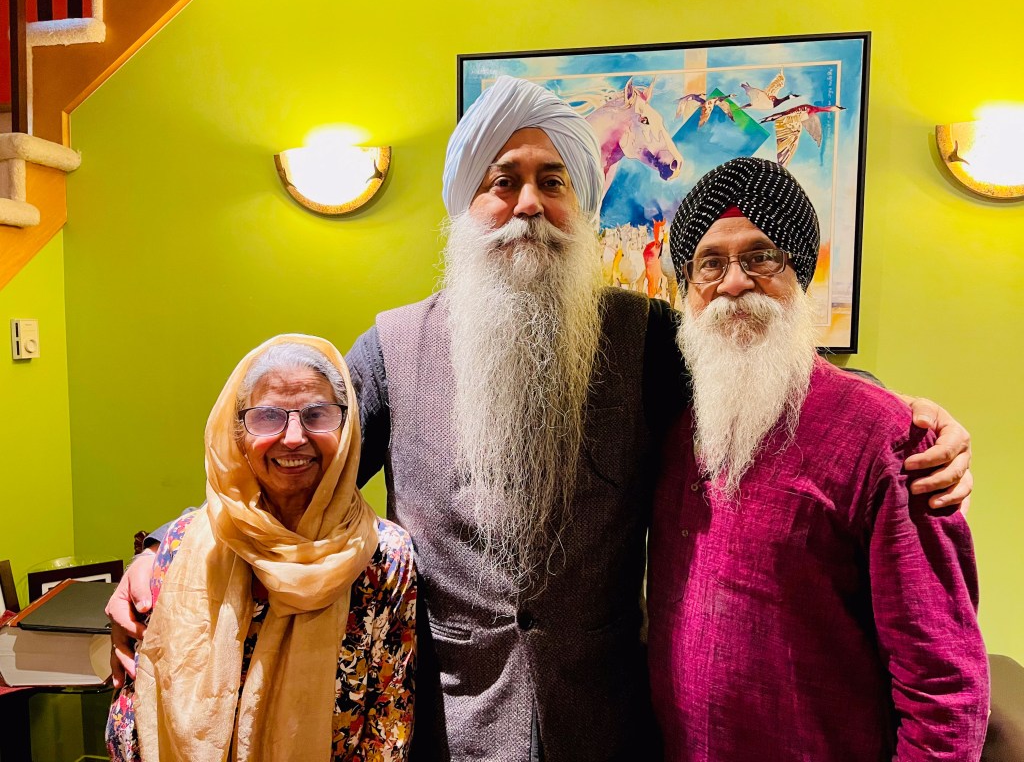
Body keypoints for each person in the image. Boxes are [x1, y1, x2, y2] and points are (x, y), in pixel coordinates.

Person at [108, 79, 974, 762]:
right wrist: (166, 551)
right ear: (466, 204)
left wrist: (903, 413)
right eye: (504, 180)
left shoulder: (642, 339)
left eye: (552, 181)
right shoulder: (395, 347)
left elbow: (758, 369)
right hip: (445, 728)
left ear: (581, 203)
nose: (529, 203)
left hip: (610, 730)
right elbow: (292, 462)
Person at [647, 157, 989, 761]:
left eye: (761, 257)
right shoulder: (675, 422)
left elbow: (945, 691)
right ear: (688, 288)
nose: (733, 283)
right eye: (710, 263)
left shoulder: (888, 439)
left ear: (800, 272)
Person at [105, 335, 416, 762]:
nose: (294, 437)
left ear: (347, 430)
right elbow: (134, 707)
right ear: (237, 433)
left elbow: (389, 720)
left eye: (317, 415)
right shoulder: (183, 543)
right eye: (268, 416)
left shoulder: (384, 557)